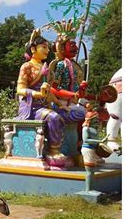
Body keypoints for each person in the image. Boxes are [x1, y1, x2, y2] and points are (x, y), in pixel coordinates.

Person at [16, 29, 71, 167]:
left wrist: (59, 104)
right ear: (33, 49)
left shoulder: (46, 68)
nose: (47, 50)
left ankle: (71, 150)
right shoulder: (27, 66)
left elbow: (48, 92)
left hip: (44, 106)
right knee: (54, 117)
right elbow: (20, 90)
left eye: (47, 47)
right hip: (31, 108)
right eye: (44, 47)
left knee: (67, 114)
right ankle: (54, 151)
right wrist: (36, 94)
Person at [81, 106, 109, 191]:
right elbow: (86, 140)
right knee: (89, 171)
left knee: (92, 171)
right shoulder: (86, 128)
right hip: (88, 149)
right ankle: (88, 190)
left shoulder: (93, 128)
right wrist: (99, 141)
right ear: (90, 119)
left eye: (97, 118)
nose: (97, 120)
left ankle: (91, 189)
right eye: (95, 119)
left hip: (92, 149)